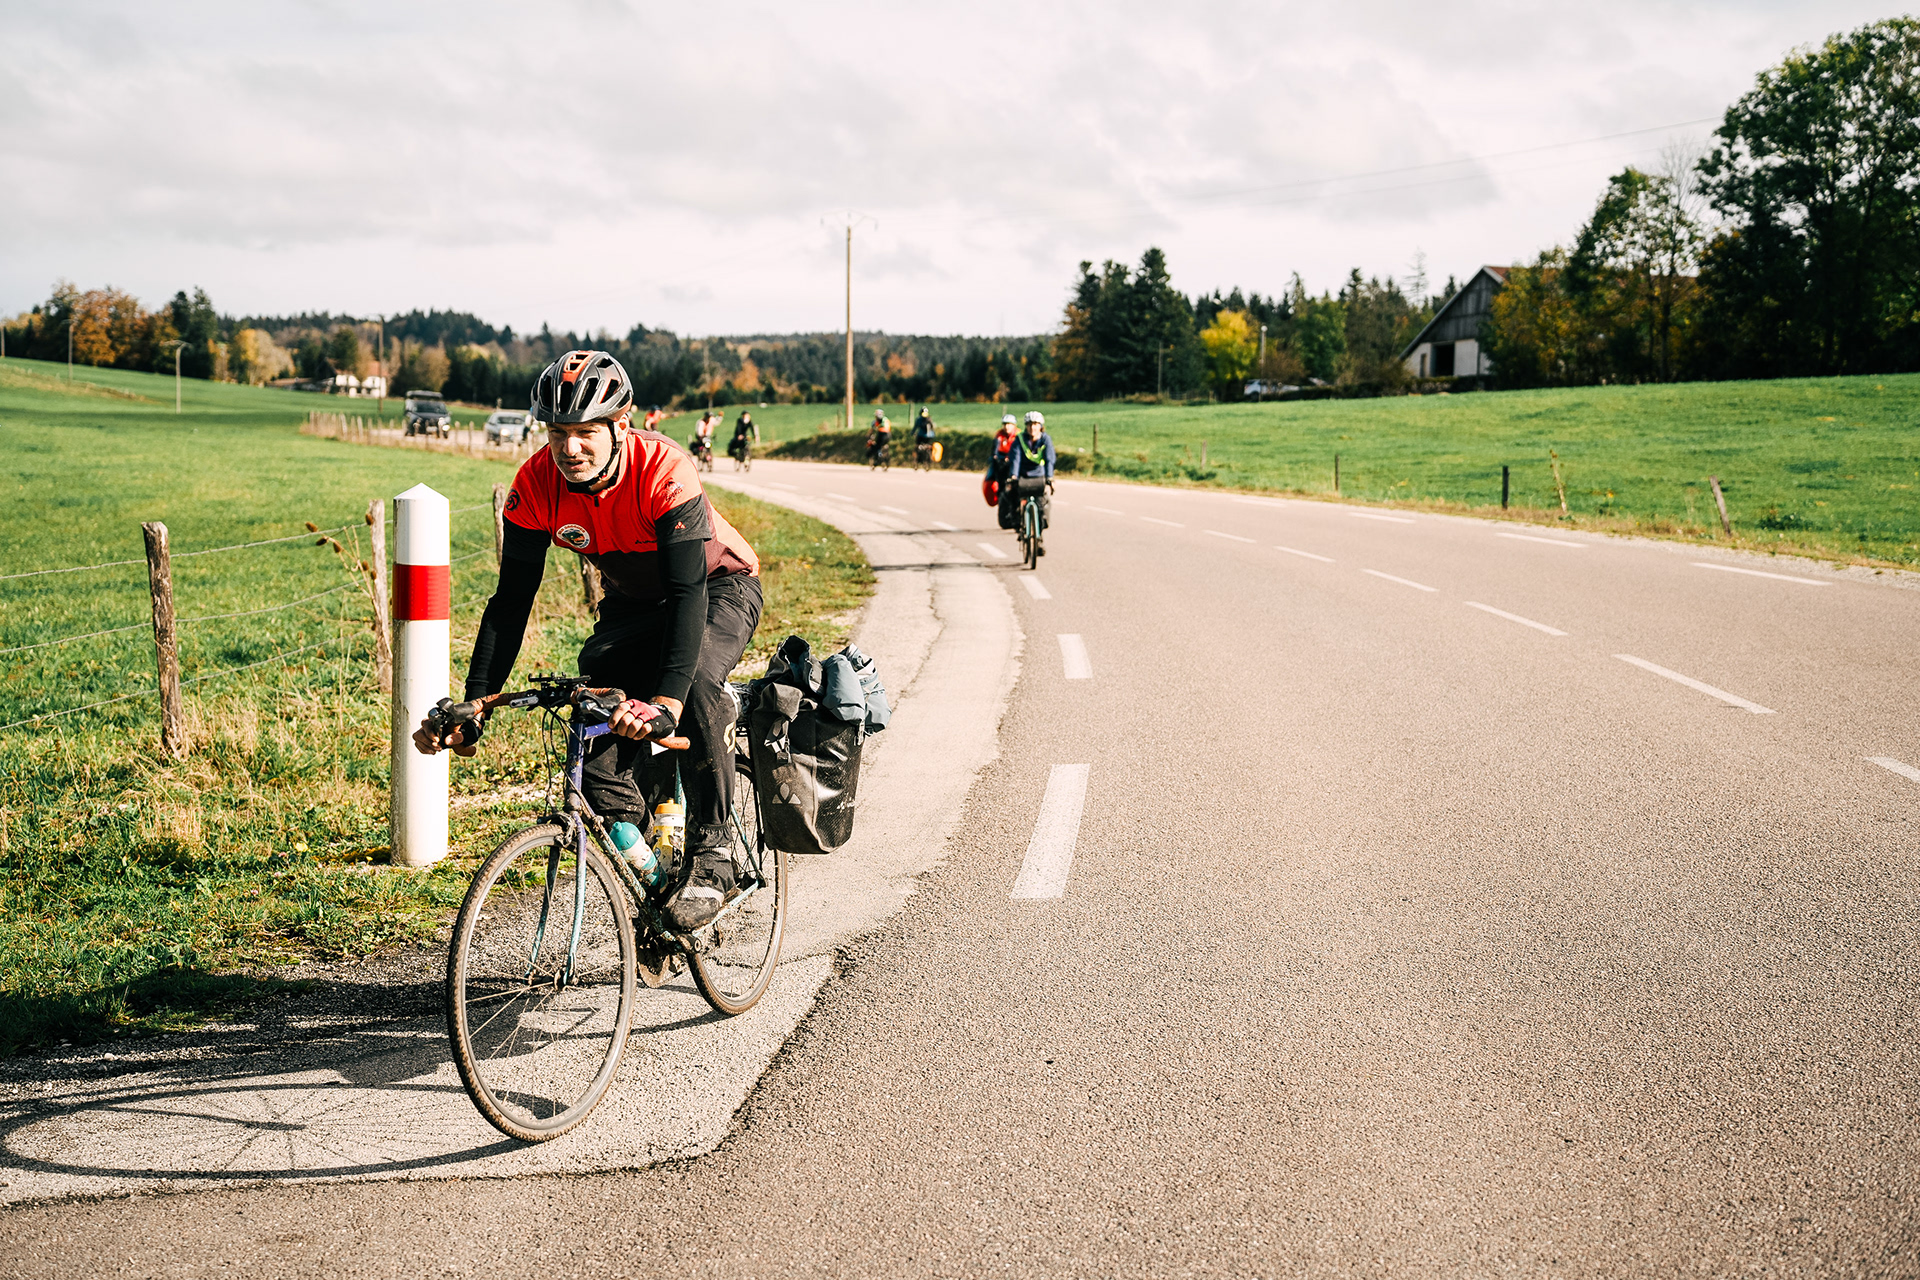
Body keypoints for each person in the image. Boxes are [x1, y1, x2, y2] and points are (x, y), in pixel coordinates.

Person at [412, 350, 762, 931]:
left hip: (717, 585)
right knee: (592, 718)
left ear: (620, 425)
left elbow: (686, 596)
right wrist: (477, 702)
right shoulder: (536, 484)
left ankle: (714, 853)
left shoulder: (664, 469)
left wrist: (667, 701)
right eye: (557, 432)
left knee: (697, 680)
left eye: (585, 433)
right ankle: (652, 874)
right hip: (631, 601)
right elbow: (511, 603)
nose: (569, 448)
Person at [1001, 410, 1055, 535]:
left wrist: (1050, 477)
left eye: (1035, 424)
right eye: (1029, 424)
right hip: (1022, 475)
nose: (1032, 428)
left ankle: (1038, 536)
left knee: (1042, 504)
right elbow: (1015, 459)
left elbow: (1049, 459)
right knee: (1012, 496)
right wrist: (1013, 476)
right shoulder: (1019, 439)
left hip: (1039, 475)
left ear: (1040, 426)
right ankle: (1017, 521)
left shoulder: (1045, 439)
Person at [984, 413, 1019, 522]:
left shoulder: (1018, 435)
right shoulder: (999, 435)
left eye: (1009, 424)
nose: (1007, 427)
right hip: (1001, 460)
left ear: (1014, 425)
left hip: (1014, 460)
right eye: (1005, 424)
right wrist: (995, 457)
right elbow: (995, 448)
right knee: (992, 474)